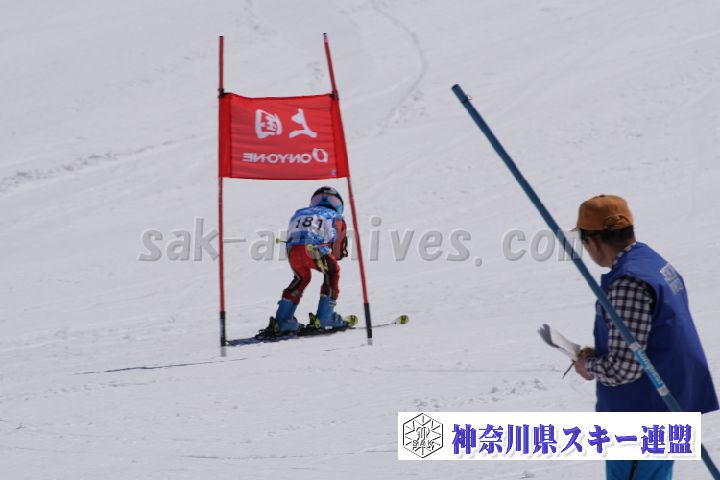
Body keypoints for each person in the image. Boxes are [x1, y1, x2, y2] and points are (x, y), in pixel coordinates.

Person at [572, 194, 718, 480]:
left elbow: (625, 367)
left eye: (583, 241)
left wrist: (588, 366)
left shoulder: (627, 283)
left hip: (642, 412)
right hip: (669, 402)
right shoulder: (651, 262)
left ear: (595, 241)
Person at [259, 186, 350, 338]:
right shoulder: (335, 216)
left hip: (293, 250)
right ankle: (325, 316)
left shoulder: (299, 212)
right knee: (332, 272)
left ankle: (283, 320)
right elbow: (337, 251)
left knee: (301, 278)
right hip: (315, 249)